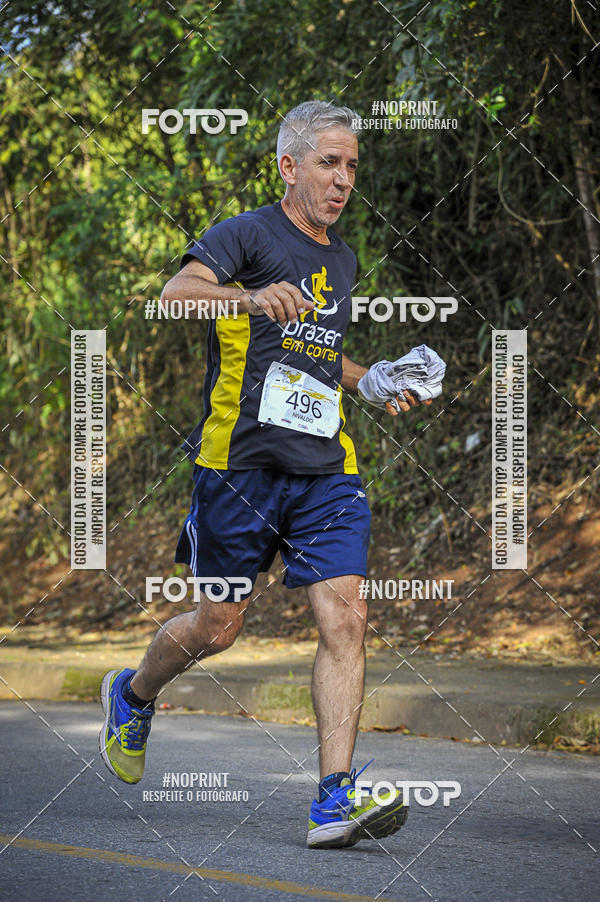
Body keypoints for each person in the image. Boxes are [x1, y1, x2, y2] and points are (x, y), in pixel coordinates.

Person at [99, 100, 431, 850]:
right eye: (329, 163)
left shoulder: (342, 259)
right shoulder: (245, 234)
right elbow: (174, 298)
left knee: (345, 616)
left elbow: (315, 356)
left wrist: (371, 380)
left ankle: (333, 800)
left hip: (324, 469)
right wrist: (246, 296)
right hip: (240, 465)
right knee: (217, 626)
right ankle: (134, 692)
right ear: (288, 166)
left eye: (351, 166)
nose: (343, 180)